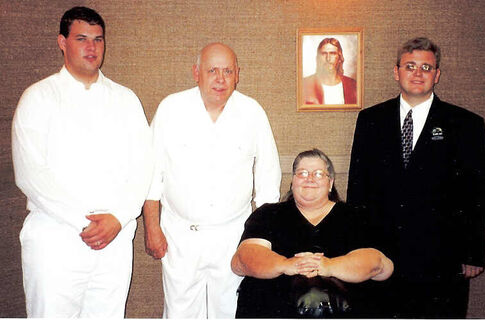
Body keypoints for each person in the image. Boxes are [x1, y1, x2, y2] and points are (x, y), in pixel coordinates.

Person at [11, 6, 153, 318]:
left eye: (98, 40)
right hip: (57, 238)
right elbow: (30, 173)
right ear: (62, 42)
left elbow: (143, 167)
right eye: (82, 39)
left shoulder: (126, 100)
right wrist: (84, 222)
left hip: (115, 239)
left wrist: (118, 218)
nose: (91, 48)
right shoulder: (38, 98)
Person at [347, 37, 485, 318]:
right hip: (381, 256)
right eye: (410, 66)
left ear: (436, 75)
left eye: (426, 67)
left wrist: (473, 253)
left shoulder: (466, 125)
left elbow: (477, 193)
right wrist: (356, 248)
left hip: (441, 257)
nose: (417, 73)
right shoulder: (370, 120)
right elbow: (357, 188)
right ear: (396, 71)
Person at [143, 42, 281, 318]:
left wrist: (261, 237)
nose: (221, 78)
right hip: (180, 235)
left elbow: (268, 180)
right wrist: (151, 227)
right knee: (179, 312)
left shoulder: (252, 113)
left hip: (233, 235)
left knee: (230, 311)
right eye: (212, 70)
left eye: (228, 71)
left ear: (237, 74)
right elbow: (151, 173)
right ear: (196, 73)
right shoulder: (171, 108)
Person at [232, 149, 393, 318]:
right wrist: (286, 265)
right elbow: (241, 260)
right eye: (302, 173)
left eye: (318, 174)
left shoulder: (357, 216)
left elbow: (381, 265)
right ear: (292, 181)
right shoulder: (268, 214)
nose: (309, 178)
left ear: (330, 182)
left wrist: (329, 266)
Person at [303, 38, 357, 105]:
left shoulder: (353, 85)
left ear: (339, 57)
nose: (328, 58)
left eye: (332, 53)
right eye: (324, 53)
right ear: (318, 58)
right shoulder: (305, 84)